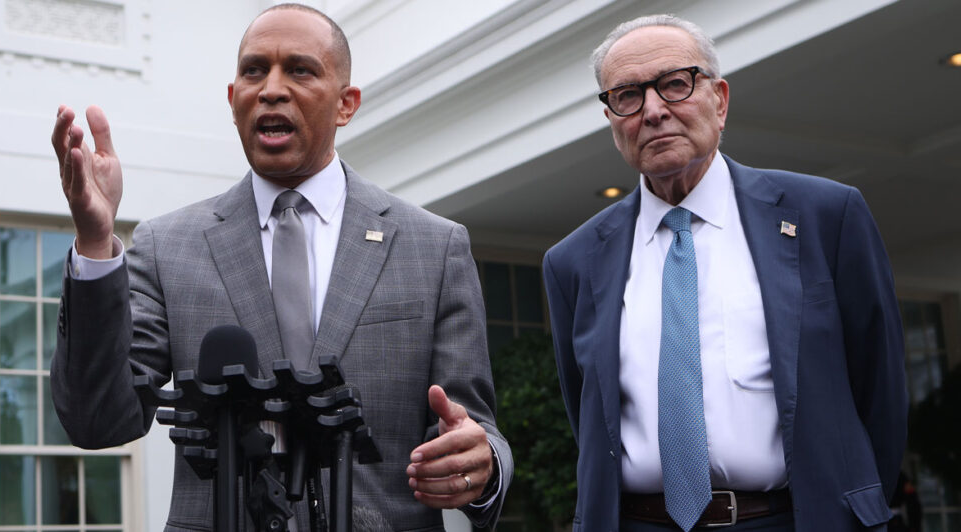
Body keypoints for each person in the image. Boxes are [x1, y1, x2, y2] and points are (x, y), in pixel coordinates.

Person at [49, 4, 512, 531]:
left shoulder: (434, 247)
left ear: (346, 104)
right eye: (253, 71)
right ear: (233, 100)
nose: (270, 88)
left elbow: (474, 429)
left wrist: (482, 464)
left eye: (299, 69)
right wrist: (93, 239)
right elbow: (97, 419)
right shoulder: (165, 247)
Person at [542, 14, 906, 532]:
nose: (652, 111)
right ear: (611, 118)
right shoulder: (573, 261)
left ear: (720, 100)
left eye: (674, 84)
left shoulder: (826, 216)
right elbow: (589, 421)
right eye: (627, 96)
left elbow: (881, 394)